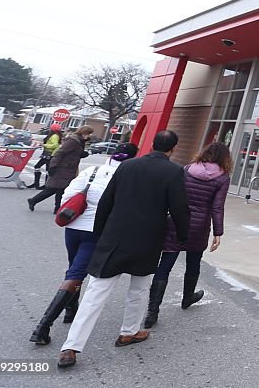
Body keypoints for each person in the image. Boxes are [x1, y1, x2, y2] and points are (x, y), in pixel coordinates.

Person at [57, 130, 190, 369]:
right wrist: (183, 235)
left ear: (151, 145)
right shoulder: (173, 171)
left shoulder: (126, 167)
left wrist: (100, 232)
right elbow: (180, 208)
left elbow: (107, 200)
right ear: (173, 148)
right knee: (139, 288)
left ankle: (71, 347)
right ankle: (128, 332)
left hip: (114, 237)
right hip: (147, 239)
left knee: (96, 292)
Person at [28, 143, 139, 346]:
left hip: (73, 226)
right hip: (95, 232)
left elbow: (69, 195)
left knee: (73, 269)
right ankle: (43, 326)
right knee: (76, 274)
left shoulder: (93, 170)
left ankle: (71, 309)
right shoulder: (125, 178)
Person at [144, 141, 231, 328]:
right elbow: (217, 206)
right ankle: (187, 297)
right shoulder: (222, 178)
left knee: (165, 265)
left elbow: (174, 195)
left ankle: (152, 311)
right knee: (193, 263)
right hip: (199, 226)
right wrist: (218, 232)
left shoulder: (188, 169)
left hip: (176, 221)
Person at [28, 126, 93, 213]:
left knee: (59, 189)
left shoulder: (79, 141)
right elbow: (60, 153)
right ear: (84, 133)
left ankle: (55, 207)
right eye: (88, 134)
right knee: (57, 188)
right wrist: (53, 166)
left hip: (68, 167)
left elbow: (73, 153)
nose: (89, 136)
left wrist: (81, 153)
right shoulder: (73, 141)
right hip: (63, 167)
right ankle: (42, 203)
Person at [28, 124, 64, 190]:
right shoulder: (52, 135)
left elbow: (54, 145)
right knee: (38, 167)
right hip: (47, 154)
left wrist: (43, 145)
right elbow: (45, 139)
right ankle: (37, 183)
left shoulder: (55, 136)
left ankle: (45, 185)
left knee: (44, 168)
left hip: (50, 154)